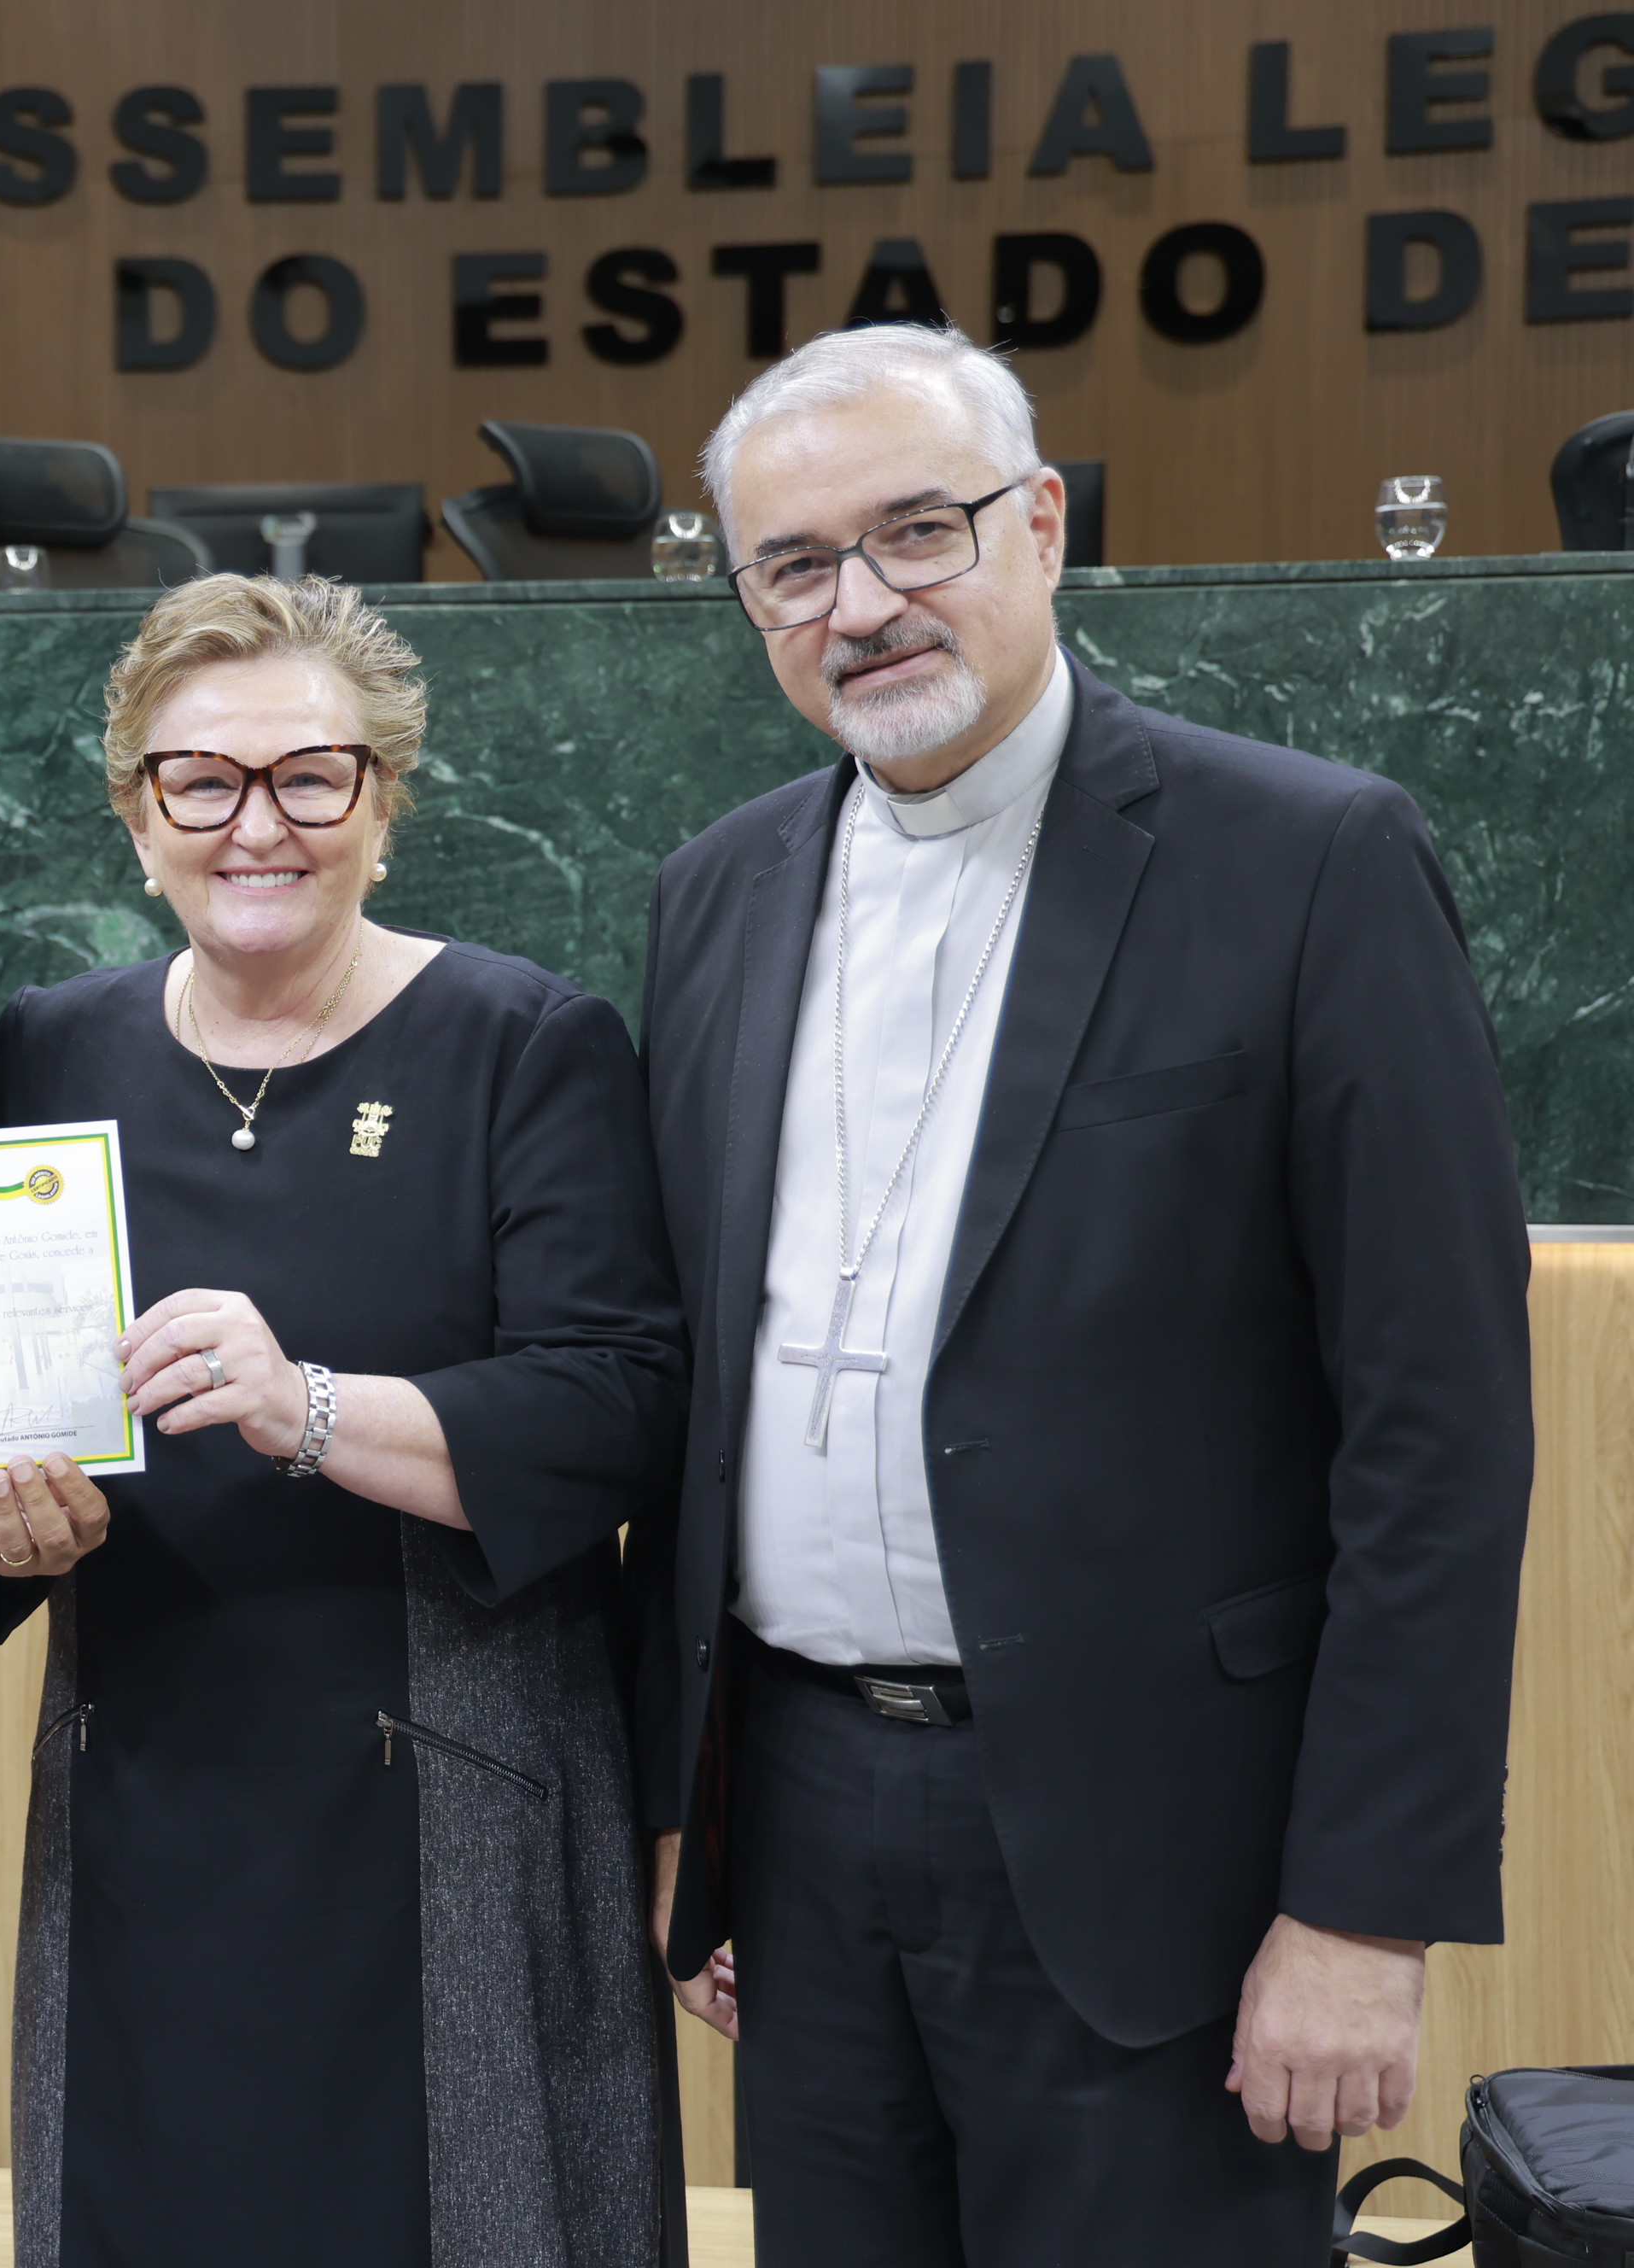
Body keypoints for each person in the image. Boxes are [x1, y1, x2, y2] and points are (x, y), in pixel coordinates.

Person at [630, 322, 1531, 2265]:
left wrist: (1363, 1910)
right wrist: (692, 1815)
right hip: (802, 1815)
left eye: (917, 531)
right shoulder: (712, 891)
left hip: (1164, 1849)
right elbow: (692, 1384)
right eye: (794, 565)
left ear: (1040, 524)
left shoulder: (1309, 860)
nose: (861, 604)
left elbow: (1439, 1433)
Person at [0, 573, 691, 2268]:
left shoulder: (525, 1042)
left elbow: (617, 1402)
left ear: (383, 803)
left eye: (310, 777)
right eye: (202, 781)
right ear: (138, 817)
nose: (255, 825)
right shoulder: (48, 1050)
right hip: (142, 1792)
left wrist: (310, 1406)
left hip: (455, 1799)